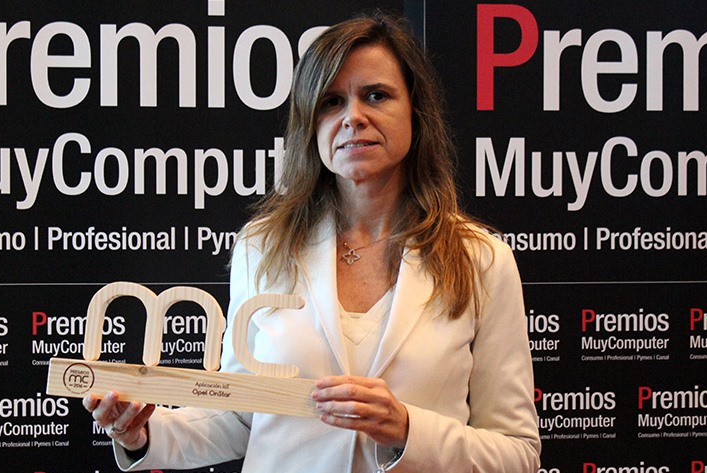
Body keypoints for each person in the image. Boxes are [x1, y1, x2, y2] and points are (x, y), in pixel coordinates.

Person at [84, 12, 541, 473]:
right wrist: (141, 434)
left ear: (416, 113)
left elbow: (518, 454)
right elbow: (240, 417)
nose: (353, 118)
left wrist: (406, 429)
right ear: (310, 123)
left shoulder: (481, 260)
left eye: (376, 95)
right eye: (331, 102)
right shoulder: (262, 247)